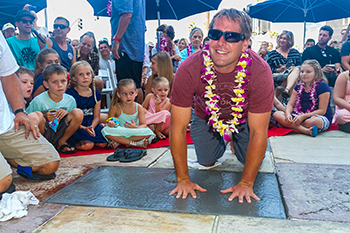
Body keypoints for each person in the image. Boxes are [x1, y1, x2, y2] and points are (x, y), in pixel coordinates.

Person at [169, 8, 274, 203]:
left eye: (231, 36)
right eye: (215, 34)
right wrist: (183, 179)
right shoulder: (189, 68)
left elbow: (259, 132)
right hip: (205, 117)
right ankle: (223, 140)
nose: (221, 42)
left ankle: (234, 138)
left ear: (245, 44)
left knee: (251, 163)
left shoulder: (260, 70)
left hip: (243, 121)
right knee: (206, 162)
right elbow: (178, 127)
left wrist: (246, 183)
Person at [0, 33, 59, 199]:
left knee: (50, 164)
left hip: (4, 124)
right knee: (3, 183)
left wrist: (19, 111)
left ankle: (7, 159)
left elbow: (8, 75)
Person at [27, 64, 84, 154]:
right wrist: (44, 116)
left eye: (63, 81)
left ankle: (62, 142)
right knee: (38, 114)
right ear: (46, 84)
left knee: (78, 112)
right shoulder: (38, 100)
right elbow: (29, 118)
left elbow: (73, 120)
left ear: (67, 82)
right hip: (44, 133)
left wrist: (67, 113)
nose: (60, 85)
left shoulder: (70, 100)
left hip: (60, 133)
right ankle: (42, 144)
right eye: (54, 82)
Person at [273, 60, 332, 137]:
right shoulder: (298, 86)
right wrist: (287, 114)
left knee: (313, 122)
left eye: (308, 72)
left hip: (317, 116)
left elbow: (322, 111)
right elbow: (290, 104)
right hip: (298, 114)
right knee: (277, 114)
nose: (304, 74)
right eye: (302, 72)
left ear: (316, 73)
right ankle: (305, 130)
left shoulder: (323, 87)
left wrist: (303, 117)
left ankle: (290, 125)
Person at [101, 79, 154, 149]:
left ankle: (120, 141)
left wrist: (136, 127)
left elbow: (143, 124)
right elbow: (110, 121)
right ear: (118, 94)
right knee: (106, 130)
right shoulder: (115, 107)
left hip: (133, 131)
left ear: (136, 93)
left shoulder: (139, 107)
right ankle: (135, 143)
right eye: (124, 94)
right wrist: (111, 124)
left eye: (131, 93)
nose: (128, 97)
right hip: (120, 130)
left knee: (149, 132)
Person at [66, 61, 107, 150]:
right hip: (78, 125)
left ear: (92, 76)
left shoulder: (96, 94)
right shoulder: (70, 94)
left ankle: (91, 137)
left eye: (88, 74)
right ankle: (72, 143)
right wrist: (84, 128)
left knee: (102, 144)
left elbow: (96, 116)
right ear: (74, 78)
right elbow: (69, 117)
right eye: (81, 74)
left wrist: (92, 127)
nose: (85, 77)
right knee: (87, 146)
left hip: (91, 123)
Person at [110, 0, 145, 104]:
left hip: (126, 45)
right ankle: (137, 117)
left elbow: (126, 15)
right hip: (135, 46)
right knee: (135, 85)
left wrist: (117, 40)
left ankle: (131, 117)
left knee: (126, 87)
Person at [267, 30, 302, 99]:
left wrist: (292, 67)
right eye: (281, 38)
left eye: (284, 38)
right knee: (294, 78)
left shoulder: (295, 53)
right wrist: (277, 69)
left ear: (289, 41)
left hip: (294, 75)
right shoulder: (273, 53)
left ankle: (287, 91)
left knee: (296, 70)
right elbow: (268, 68)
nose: (282, 40)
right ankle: (293, 103)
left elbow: (301, 66)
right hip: (279, 77)